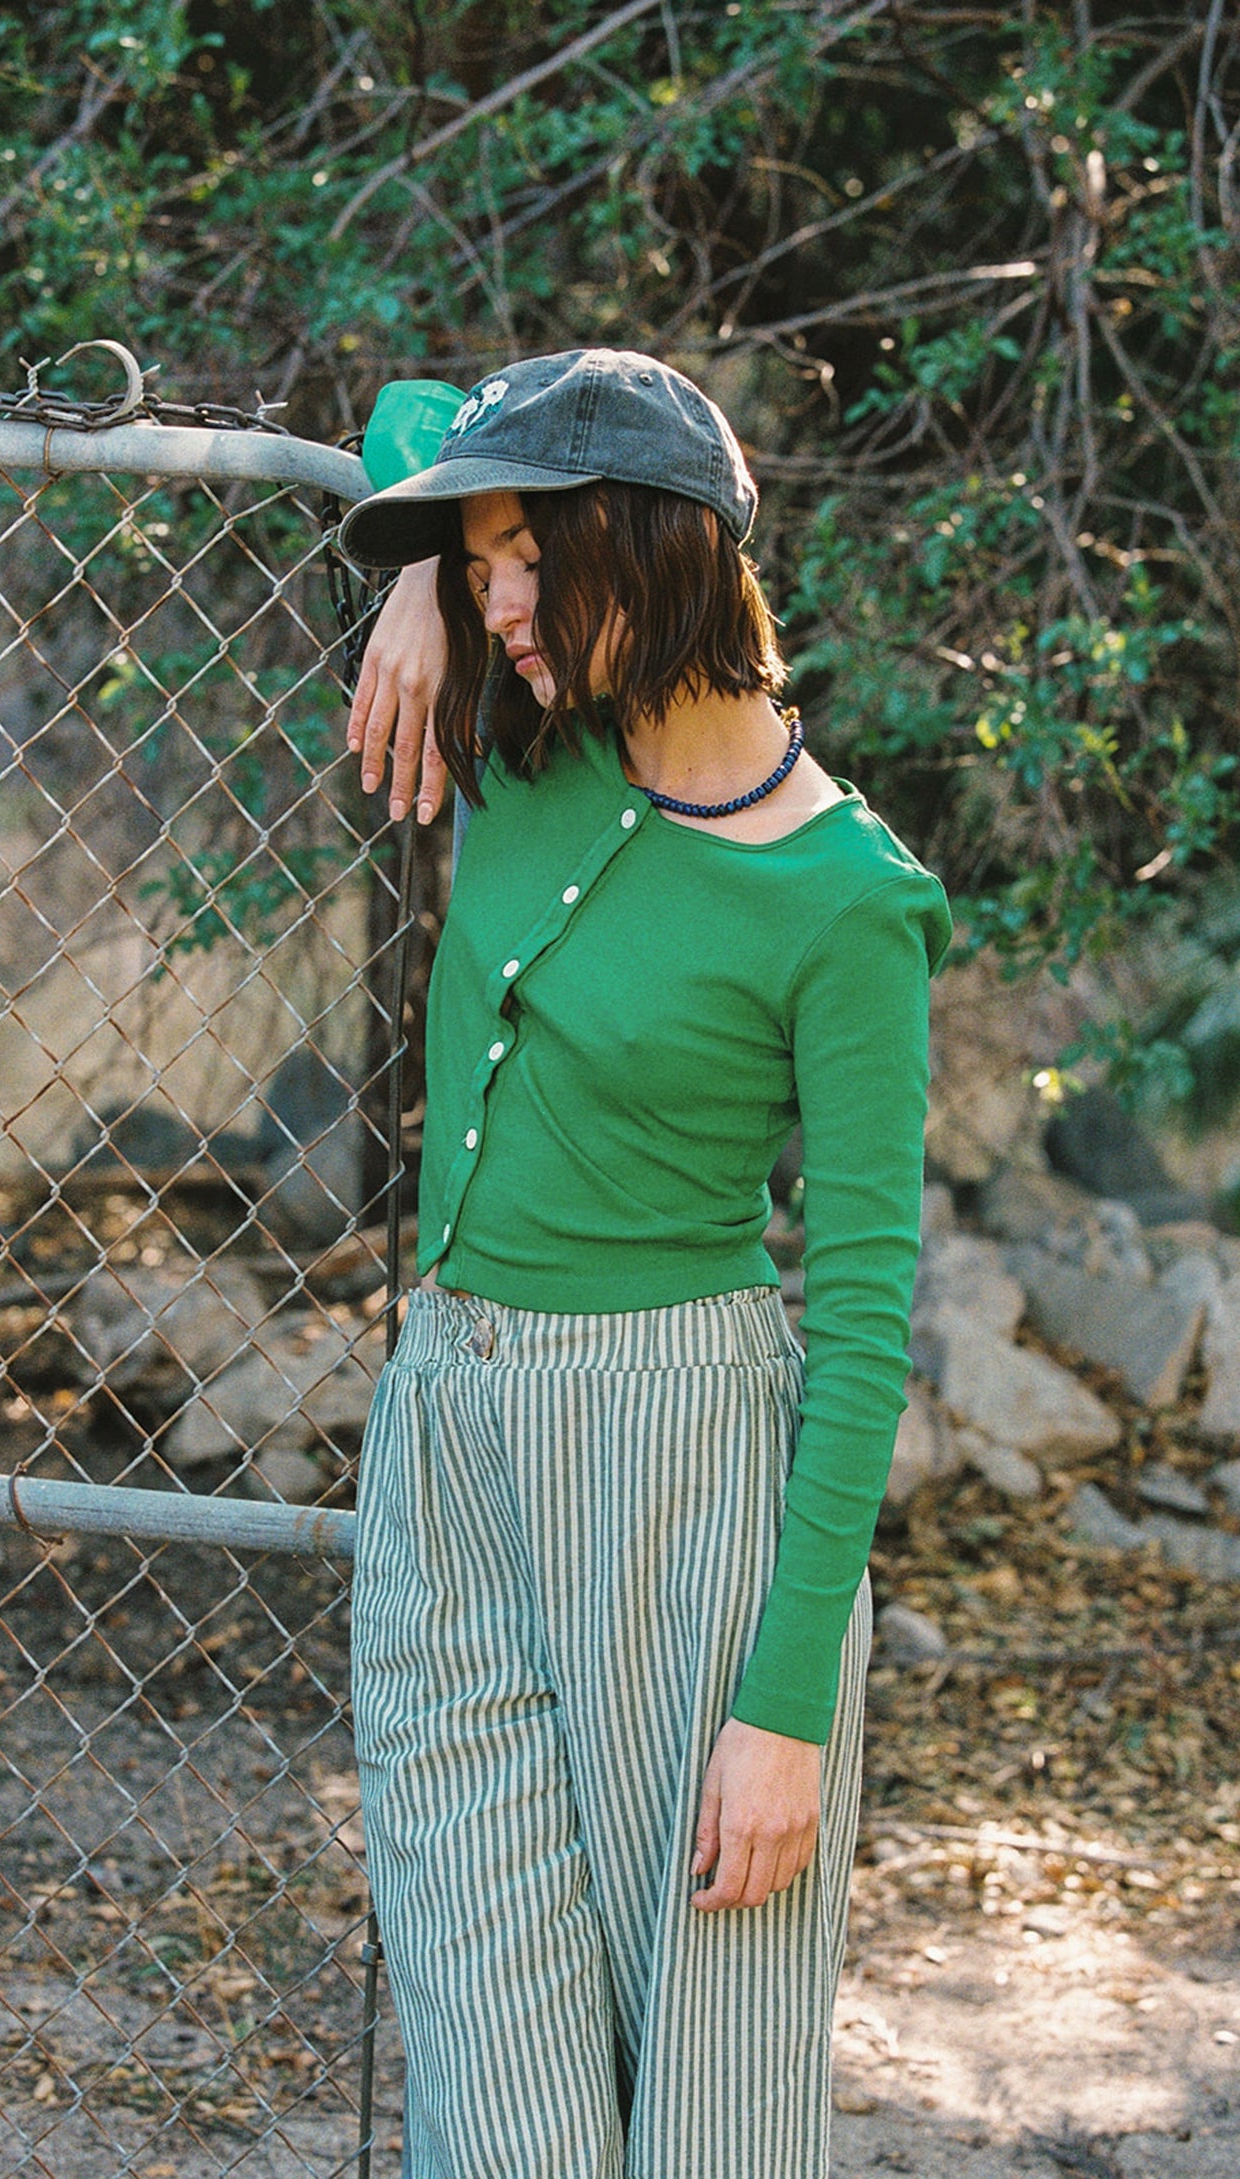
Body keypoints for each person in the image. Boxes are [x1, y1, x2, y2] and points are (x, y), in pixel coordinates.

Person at [335, 349, 951, 2179]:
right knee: (492, 2089)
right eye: (489, 566)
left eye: (533, 562)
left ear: (658, 547)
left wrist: (782, 1716)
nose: (505, 608)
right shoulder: (531, 744)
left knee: (709, 2106)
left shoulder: (844, 901)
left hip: (684, 1478)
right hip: (448, 1440)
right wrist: (420, 578)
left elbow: (861, 1328)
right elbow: (409, 408)